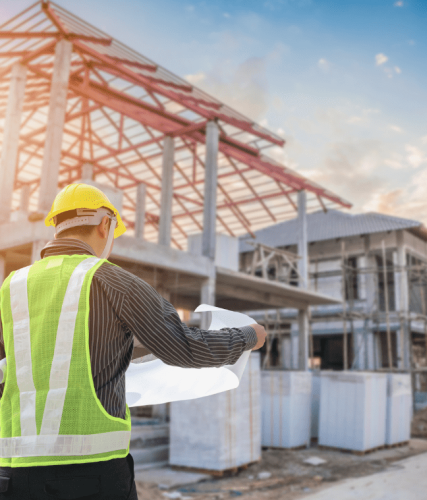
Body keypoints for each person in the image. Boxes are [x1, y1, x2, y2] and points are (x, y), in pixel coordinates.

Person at [0, 183, 267, 499]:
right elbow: (185, 346)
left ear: (56, 227)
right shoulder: (114, 282)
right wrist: (249, 336)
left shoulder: (11, 286)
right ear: (105, 225)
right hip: (91, 473)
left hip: (14, 473)